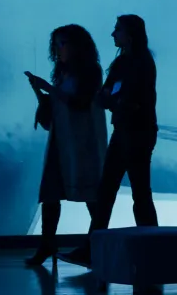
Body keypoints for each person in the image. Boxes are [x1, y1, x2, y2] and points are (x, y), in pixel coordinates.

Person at [61, 15, 158, 269]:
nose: (113, 34)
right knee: (123, 192)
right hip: (129, 130)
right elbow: (112, 98)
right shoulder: (133, 62)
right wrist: (118, 102)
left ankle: (146, 248)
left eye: (117, 30)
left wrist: (115, 101)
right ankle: (149, 249)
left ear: (129, 34)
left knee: (127, 192)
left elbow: (111, 98)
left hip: (133, 132)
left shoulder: (134, 63)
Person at [23, 24, 107, 267]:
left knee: (92, 194)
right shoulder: (62, 71)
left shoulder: (91, 71)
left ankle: (94, 244)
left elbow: (79, 103)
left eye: (63, 43)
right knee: (51, 194)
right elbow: (59, 107)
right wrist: (42, 95)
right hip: (61, 142)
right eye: (57, 44)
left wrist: (48, 90)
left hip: (84, 144)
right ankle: (48, 243)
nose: (58, 49)